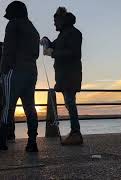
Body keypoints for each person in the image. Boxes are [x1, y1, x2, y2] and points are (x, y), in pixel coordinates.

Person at [0, 1, 40, 152]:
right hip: (31, 71)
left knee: (8, 106)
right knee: (30, 107)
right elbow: (36, 54)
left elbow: (9, 49)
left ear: (14, 14)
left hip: (15, 71)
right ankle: (32, 142)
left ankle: (1, 140)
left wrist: (4, 70)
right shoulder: (34, 30)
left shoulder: (13, 25)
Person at [42, 7, 83, 145]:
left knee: (70, 102)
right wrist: (46, 40)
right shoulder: (64, 34)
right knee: (69, 102)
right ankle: (74, 132)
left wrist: (52, 53)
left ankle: (76, 133)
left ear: (61, 20)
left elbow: (74, 53)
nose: (54, 24)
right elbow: (54, 45)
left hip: (70, 74)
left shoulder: (74, 33)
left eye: (55, 21)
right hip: (64, 75)